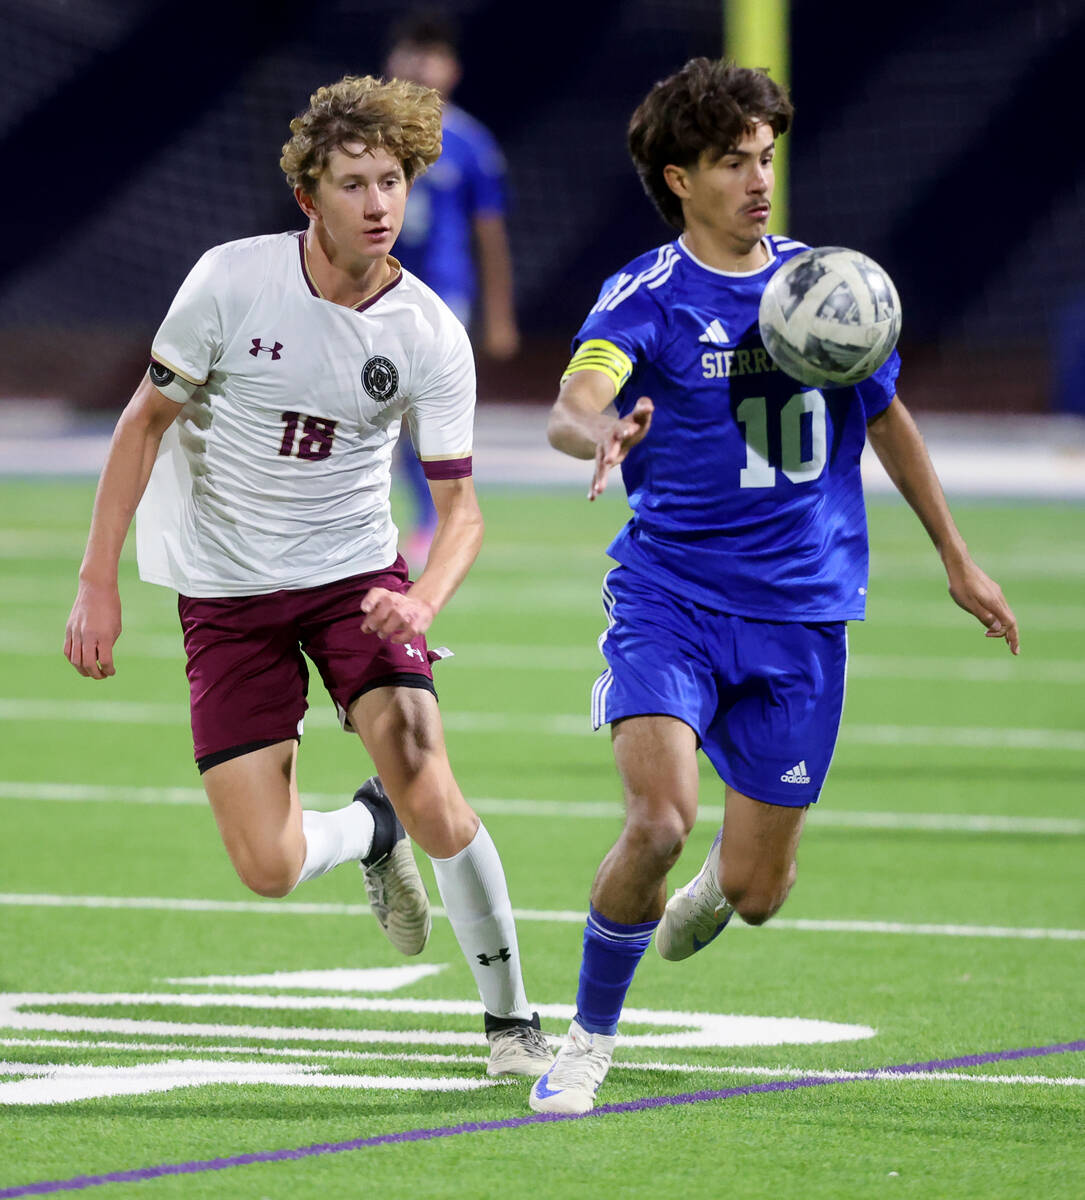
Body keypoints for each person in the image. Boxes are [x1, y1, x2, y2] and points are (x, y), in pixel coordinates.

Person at [529, 57, 1019, 1115]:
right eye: (729, 164)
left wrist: (954, 557)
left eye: (764, 159)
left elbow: (884, 417)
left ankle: (717, 884)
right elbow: (574, 401)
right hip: (671, 596)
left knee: (755, 896)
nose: (757, 182)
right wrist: (597, 431)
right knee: (656, 821)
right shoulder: (647, 296)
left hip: (803, 610)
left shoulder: (827, 287)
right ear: (676, 177)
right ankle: (583, 1040)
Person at [63, 74, 552, 1079]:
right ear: (307, 197)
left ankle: (511, 1019)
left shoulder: (426, 334)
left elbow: (460, 513)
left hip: (354, 584)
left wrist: (420, 597)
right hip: (228, 595)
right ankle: (367, 828)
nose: (378, 204)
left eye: (392, 182)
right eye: (353, 184)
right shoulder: (230, 283)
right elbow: (140, 425)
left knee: (427, 773)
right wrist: (96, 580)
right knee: (270, 867)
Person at [384, 11, 520, 567]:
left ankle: (432, 521)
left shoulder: (468, 143)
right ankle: (396, 519)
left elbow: (490, 234)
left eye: (431, 55)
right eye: (411, 54)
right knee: (375, 413)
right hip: (373, 292)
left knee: (420, 414)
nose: (419, 66)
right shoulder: (366, 133)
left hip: (440, 295)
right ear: (392, 62)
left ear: (453, 69)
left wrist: (500, 314)